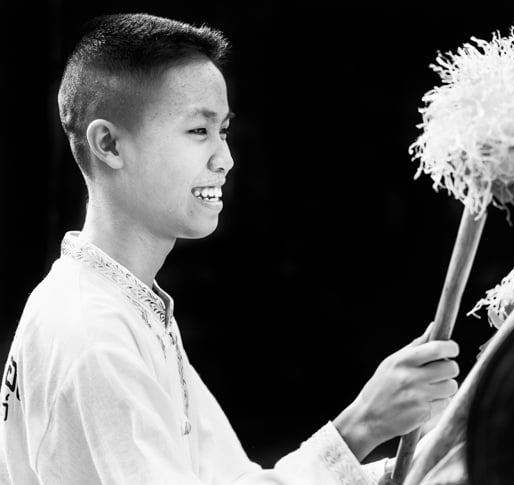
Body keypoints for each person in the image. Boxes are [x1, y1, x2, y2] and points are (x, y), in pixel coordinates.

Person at [0, 13, 460, 485]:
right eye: (199, 131)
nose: (226, 158)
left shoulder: (129, 306)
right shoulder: (92, 334)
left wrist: (421, 463)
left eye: (223, 131)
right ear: (109, 144)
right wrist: (361, 425)